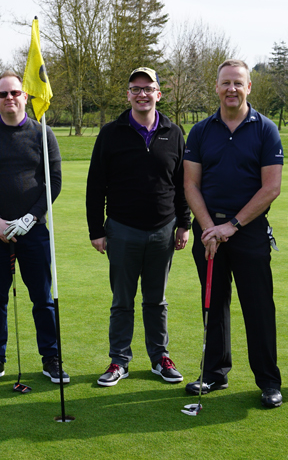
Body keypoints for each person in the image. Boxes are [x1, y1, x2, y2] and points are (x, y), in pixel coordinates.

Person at [183, 58, 285, 408]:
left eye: (238, 83)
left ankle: (269, 381)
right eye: (225, 83)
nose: (231, 89)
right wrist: (209, 226)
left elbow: (271, 188)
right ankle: (214, 372)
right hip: (210, 234)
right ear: (216, 87)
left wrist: (232, 225)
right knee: (214, 303)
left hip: (249, 233)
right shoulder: (200, 131)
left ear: (249, 87)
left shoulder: (265, 129)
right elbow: (190, 184)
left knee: (258, 308)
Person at [86, 66, 190, 387]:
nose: (142, 94)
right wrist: (96, 230)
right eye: (136, 88)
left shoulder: (174, 132)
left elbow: (183, 183)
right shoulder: (110, 132)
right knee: (122, 300)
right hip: (121, 229)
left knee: (156, 300)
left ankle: (159, 357)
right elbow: (95, 186)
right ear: (128, 94)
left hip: (163, 230)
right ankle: (119, 360)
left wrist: (184, 224)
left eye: (148, 88)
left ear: (159, 94)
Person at [0, 71, 67, 386]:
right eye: (3, 94)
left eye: (15, 93)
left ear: (26, 96)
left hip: (34, 232)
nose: (10, 98)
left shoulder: (43, 133)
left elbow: (55, 181)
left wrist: (31, 218)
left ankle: (51, 358)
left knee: (43, 298)